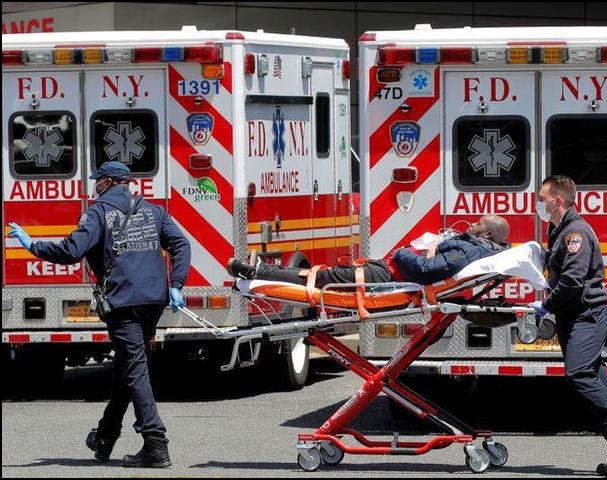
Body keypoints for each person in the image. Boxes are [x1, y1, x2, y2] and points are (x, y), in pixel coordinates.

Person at [8, 161, 191, 468]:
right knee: (126, 366)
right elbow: (181, 244)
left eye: (98, 181)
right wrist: (177, 284)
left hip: (123, 302)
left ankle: (155, 443)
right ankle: (105, 437)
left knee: (134, 369)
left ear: (107, 182)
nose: (95, 186)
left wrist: (34, 246)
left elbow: (71, 251)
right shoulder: (153, 211)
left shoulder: (98, 212)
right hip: (153, 301)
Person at [529, 175, 607, 477]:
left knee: (579, 373)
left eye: (542, 199)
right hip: (573, 316)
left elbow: (572, 280)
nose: (538, 204)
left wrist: (547, 304)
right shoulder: (558, 230)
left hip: (587, 315)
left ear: (558, 200)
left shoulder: (575, 232)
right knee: (595, 378)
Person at [226, 215, 510, 287]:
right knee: (323, 276)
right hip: (389, 274)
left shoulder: (468, 251)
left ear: (487, 234)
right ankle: (261, 271)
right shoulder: (475, 248)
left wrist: (401, 253)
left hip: (388, 277)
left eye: (478, 223)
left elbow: (426, 270)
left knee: (321, 278)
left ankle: (258, 272)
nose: (471, 224)